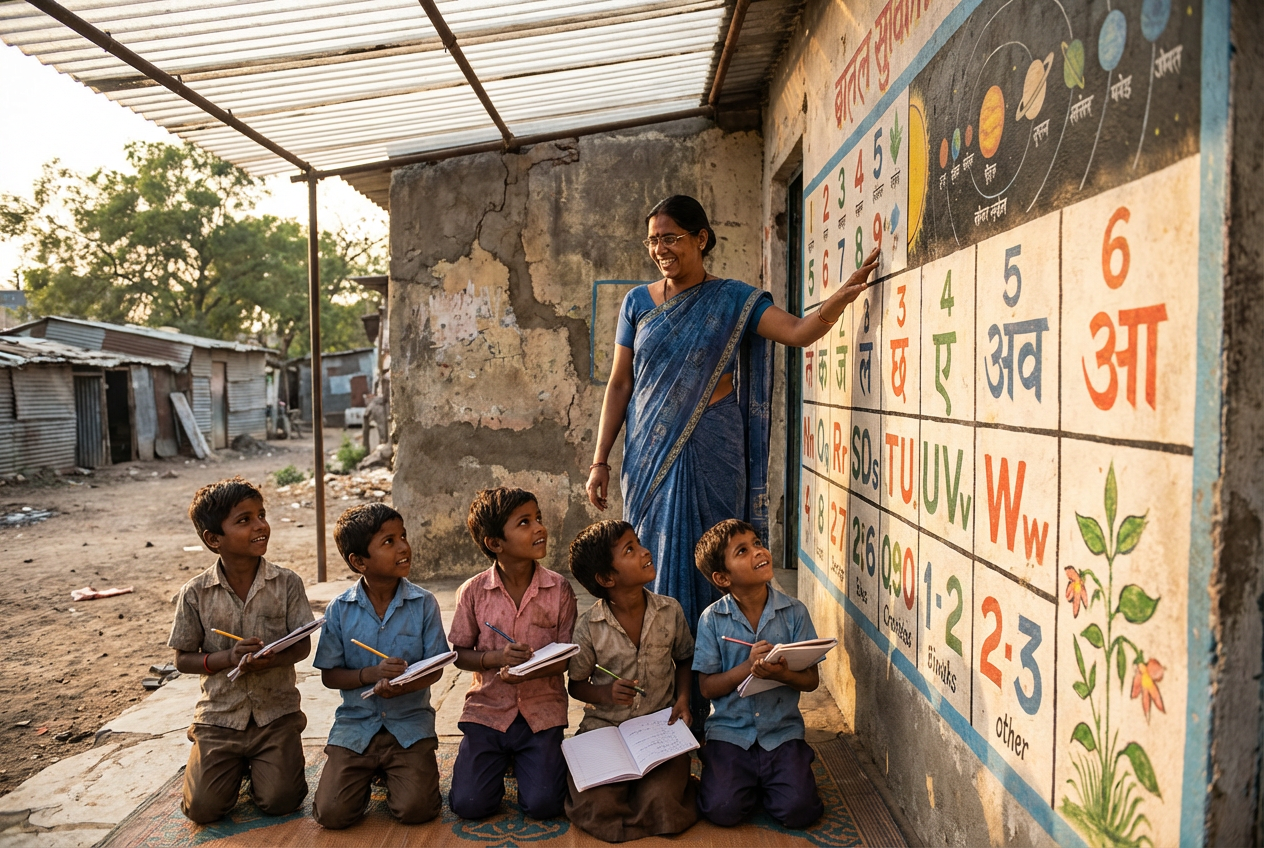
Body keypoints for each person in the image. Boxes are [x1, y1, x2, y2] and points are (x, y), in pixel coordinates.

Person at [585, 194, 879, 632]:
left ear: (701, 239)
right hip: (648, 452)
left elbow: (797, 332)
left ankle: (719, 665)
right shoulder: (636, 304)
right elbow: (621, 383)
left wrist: (839, 299)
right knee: (654, 555)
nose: (660, 249)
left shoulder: (732, 299)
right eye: (652, 241)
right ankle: (667, 670)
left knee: (718, 552)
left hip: (715, 449)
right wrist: (600, 459)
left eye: (671, 238)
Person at [168, 477, 313, 824]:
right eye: (244, 520)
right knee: (202, 809)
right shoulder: (195, 593)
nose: (260, 525)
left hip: (275, 714)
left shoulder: (286, 582)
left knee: (281, 800)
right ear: (213, 539)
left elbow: (302, 644)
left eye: (261, 515)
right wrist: (226, 659)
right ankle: (225, 763)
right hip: (219, 717)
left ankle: (257, 767)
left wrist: (272, 658)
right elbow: (183, 659)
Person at [312, 503, 448, 829]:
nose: (403, 546)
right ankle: (371, 773)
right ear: (359, 562)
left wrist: (403, 684)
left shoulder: (424, 603)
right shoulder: (340, 609)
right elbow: (330, 676)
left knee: (416, 810)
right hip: (356, 727)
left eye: (403, 536)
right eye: (388, 542)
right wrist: (370, 675)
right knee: (332, 814)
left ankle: (393, 775)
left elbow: (436, 667)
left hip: (409, 726)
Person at [447, 487, 577, 820]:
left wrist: (529, 670)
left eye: (538, 519)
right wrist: (497, 659)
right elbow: (460, 654)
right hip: (487, 710)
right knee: (469, 805)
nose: (539, 528)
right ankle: (503, 758)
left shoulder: (559, 589)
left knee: (544, 805)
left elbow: (565, 657)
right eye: (524, 522)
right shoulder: (474, 591)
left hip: (541, 711)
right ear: (495, 543)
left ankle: (522, 760)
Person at [564, 520, 697, 842]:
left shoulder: (670, 611)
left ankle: (648, 799)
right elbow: (576, 684)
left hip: (657, 728)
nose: (644, 551)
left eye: (637, 543)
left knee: (663, 800)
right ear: (607, 578)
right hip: (604, 729)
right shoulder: (589, 626)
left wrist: (682, 700)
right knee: (598, 804)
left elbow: (684, 658)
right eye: (630, 550)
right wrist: (605, 692)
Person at [691, 519, 824, 829]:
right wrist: (745, 668)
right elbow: (707, 688)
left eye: (757, 543)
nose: (758, 551)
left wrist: (783, 675)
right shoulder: (712, 620)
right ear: (722, 577)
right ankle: (742, 779)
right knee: (721, 810)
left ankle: (783, 775)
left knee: (800, 811)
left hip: (781, 732)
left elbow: (812, 680)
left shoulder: (794, 613)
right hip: (730, 733)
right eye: (742, 550)